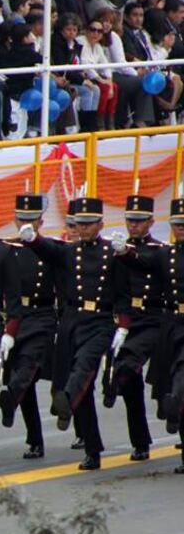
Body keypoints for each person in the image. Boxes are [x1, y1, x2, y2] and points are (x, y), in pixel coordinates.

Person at [17, 197, 126, 471]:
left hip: (100, 320)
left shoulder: (112, 253)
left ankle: (66, 397)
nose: (83, 228)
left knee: (84, 368)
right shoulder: (69, 251)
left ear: (100, 224)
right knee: (83, 391)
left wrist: (123, 325)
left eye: (89, 223)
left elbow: (126, 290)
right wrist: (33, 239)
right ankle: (92, 449)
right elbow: (48, 250)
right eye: (80, 224)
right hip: (72, 320)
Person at [121, 198, 184, 472]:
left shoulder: (162, 251)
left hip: (166, 321)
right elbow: (141, 262)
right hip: (163, 322)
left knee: (179, 380)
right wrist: (124, 252)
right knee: (133, 375)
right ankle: (145, 436)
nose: (180, 228)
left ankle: (172, 406)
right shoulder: (164, 254)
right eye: (177, 224)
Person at [0, 194, 57, 461]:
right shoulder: (7, 249)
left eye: (31, 220)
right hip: (15, 315)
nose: (25, 225)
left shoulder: (50, 249)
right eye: (21, 220)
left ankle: (11, 396)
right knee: (24, 383)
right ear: (14, 220)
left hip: (41, 314)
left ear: (41, 222)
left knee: (29, 367)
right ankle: (35, 439)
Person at [103, 195, 160, 461]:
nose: (133, 225)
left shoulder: (159, 251)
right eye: (130, 220)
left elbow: (146, 264)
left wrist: (125, 253)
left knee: (168, 385)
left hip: (154, 319)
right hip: (128, 319)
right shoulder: (118, 252)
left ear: (151, 221)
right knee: (128, 380)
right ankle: (140, 442)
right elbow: (115, 289)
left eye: (139, 220)